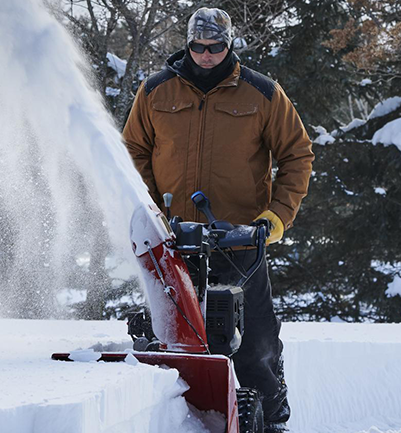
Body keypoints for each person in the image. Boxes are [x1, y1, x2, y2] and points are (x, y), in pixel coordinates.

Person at [123, 7, 314, 432]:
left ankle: (270, 418)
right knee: (170, 335)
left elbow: (297, 155)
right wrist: (149, 210)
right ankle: (168, 415)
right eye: (198, 46)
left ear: (229, 45)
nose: (206, 54)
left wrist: (274, 219)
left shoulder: (262, 94)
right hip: (173, 241)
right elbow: (132, 151)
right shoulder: (155, 91)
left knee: (255, 342)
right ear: (187, 44)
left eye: (216, 47)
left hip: (240, 241)